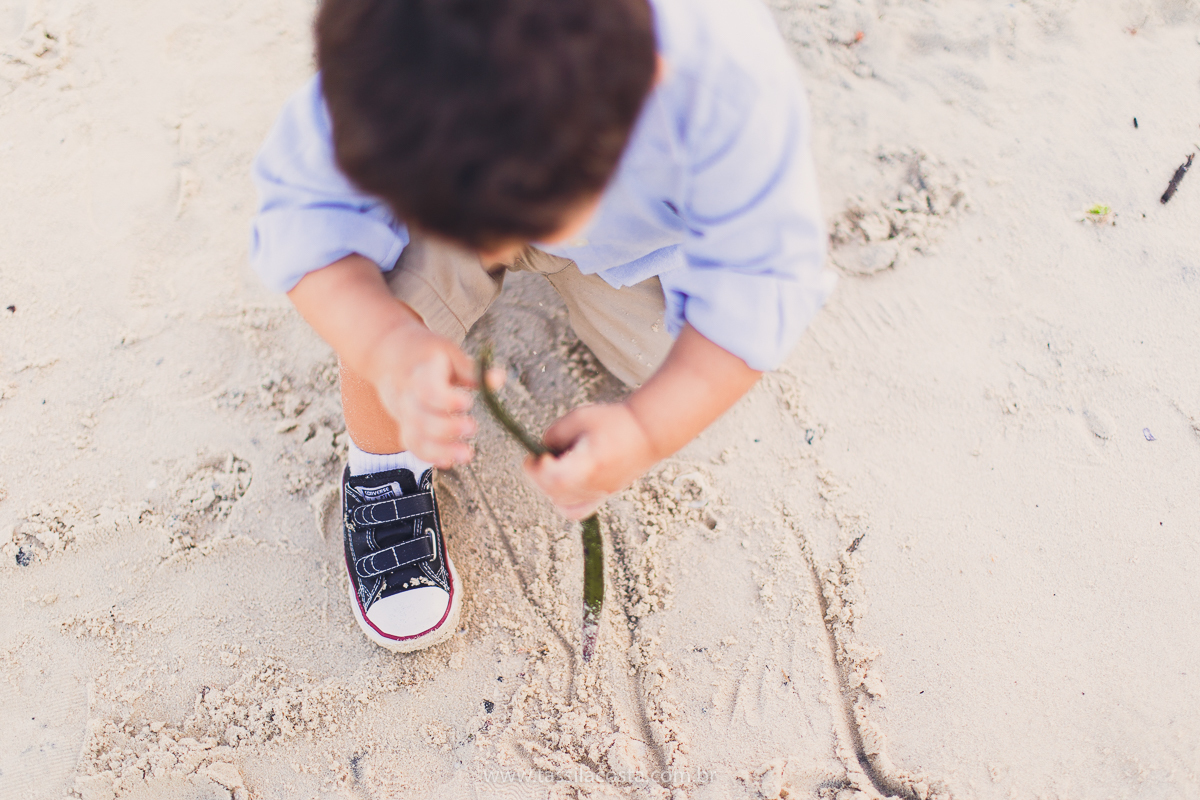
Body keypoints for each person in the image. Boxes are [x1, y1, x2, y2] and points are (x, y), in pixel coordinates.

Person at [250, 0, 833, 652]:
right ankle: (382, 467)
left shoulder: (725, 89)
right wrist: (388, 346)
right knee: (373, 298)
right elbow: (306, 225)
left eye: (517, 232)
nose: (501, 252)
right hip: (481, 178)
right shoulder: (387, 60)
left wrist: (644, 431)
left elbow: (757, 288)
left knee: (683, 365)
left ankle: (526, 233)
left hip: (632, 237)